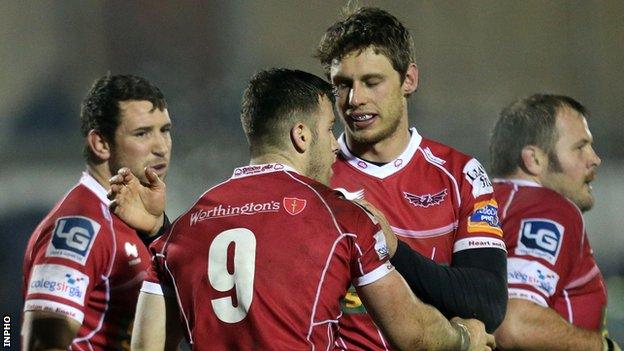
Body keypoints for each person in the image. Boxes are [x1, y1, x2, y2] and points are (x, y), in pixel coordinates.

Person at [109, 68, 495, 351]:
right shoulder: (342, 219)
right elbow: (413, 335)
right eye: (329, 129)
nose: (333, 145)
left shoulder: (183, 230)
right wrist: (465, 339)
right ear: (301, 135)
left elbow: (146, 345)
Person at [316, 6, 508, 349]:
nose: (355, 99)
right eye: (342, 85)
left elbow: (487, 303)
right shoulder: (313, 179)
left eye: (372, 82)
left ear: (409, 80)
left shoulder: (461, 174)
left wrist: (393, 250)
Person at [21, 74, 173, 350]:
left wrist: (158, 230)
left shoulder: (137, 219)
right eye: (142, 133)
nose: (161, 147)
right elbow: (43, 343)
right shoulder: (79, 227)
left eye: (165, 130)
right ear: (101, 144)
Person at [490, 94, 620, 350]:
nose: (594, 159)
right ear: (534, 159)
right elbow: (515, 324)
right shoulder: (547, 208)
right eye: (579, 147)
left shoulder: (480, 203)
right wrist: (602, 347)